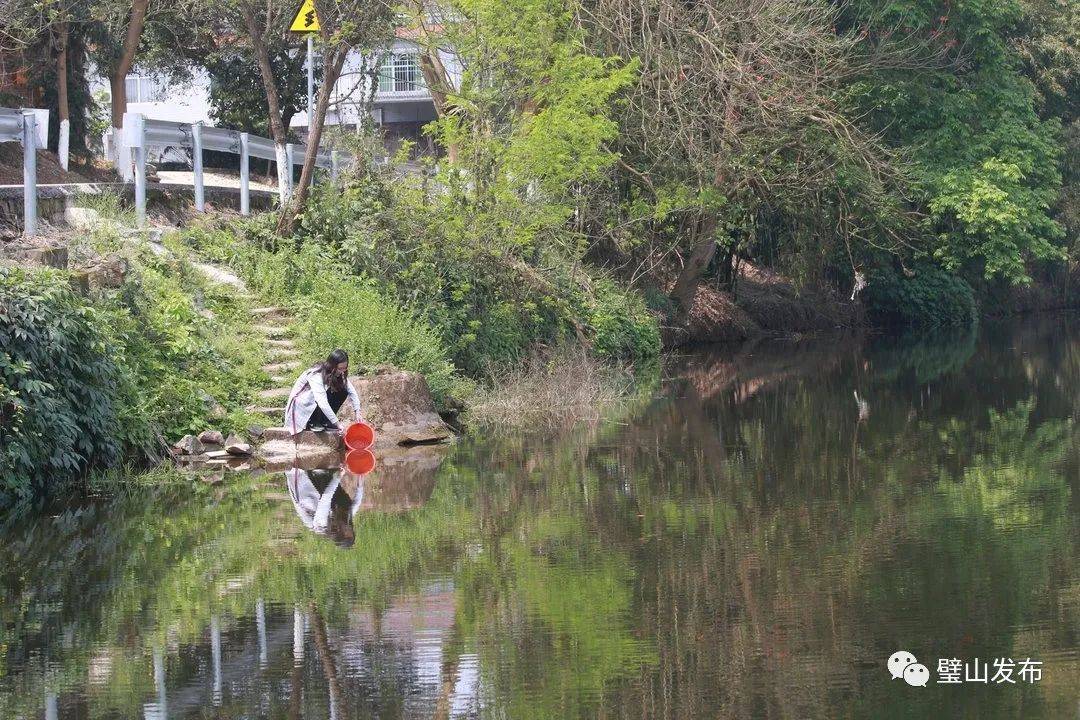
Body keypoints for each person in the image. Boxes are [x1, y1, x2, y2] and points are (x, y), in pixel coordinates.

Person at [283, 349, 363, 436]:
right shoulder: (317, 375)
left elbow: (351, 391)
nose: (342, 371)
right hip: (302, 404)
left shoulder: (340, 373)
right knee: (324, 393)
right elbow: (322, 401)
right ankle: (313, 421)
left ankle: (325, 421)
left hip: (317, 400)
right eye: (340, 369)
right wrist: (337, 423)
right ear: (332, 366)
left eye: (345, 368)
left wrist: (357, 412)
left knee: (343, 390)